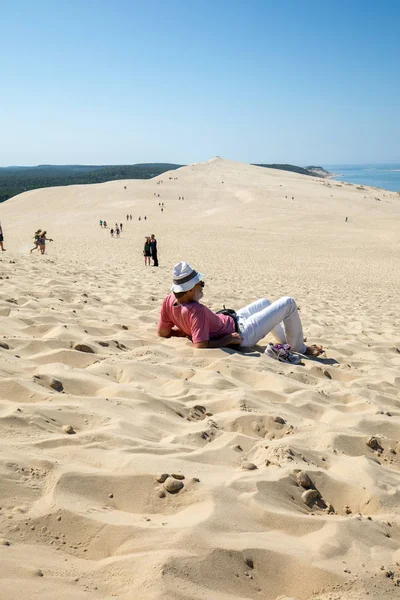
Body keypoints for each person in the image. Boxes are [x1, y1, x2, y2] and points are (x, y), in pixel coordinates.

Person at [158, 261, 324, 356]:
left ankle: (288, 341)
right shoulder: (197, 311)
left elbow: (163, 333)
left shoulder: (168, 301)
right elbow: (200, 345)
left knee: (265, 302)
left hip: (233, 318)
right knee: (288, 303)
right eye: (200, 284)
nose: (202, 287)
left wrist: (185, 332)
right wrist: (227, 339)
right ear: (190, 290)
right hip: (243, 333)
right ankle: (299, 348)